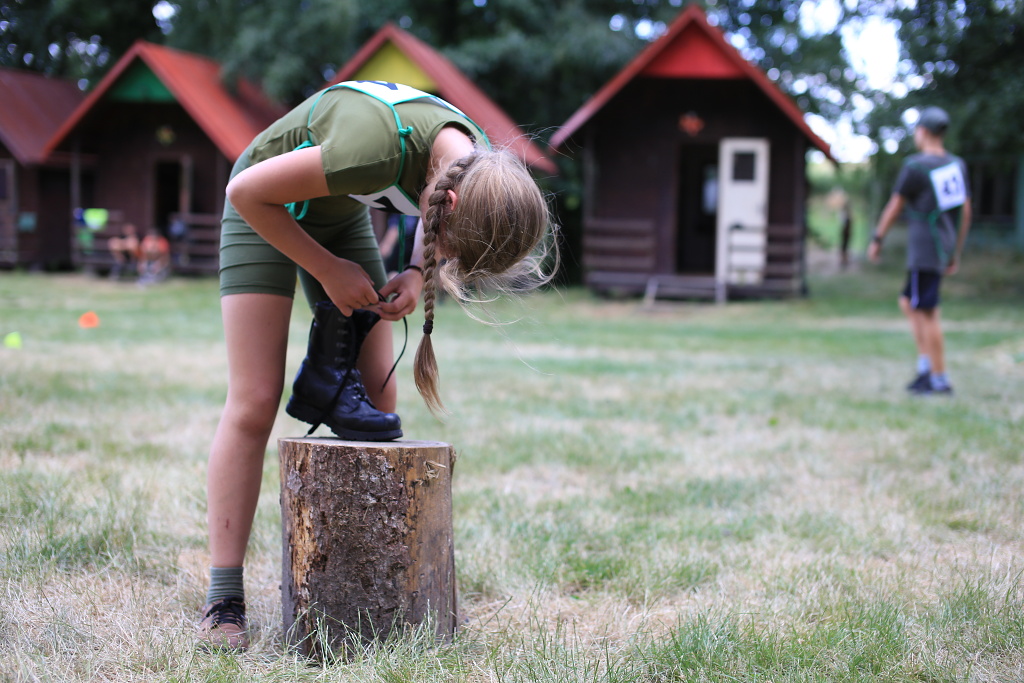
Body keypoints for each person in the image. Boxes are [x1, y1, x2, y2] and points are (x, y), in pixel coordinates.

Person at [198, 81, 554, 651]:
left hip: (338, 211)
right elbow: (244, 192)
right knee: (255, 398)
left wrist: (415, 271)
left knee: (376, 404)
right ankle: (223, 600)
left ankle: (359, 591)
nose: (447, 261)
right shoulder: (372, 150)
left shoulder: (478, 167)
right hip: (263, 205)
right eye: (453, 252)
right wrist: (327, 269)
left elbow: (432, 218)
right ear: (454, 204)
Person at [868, 105, 972, 396]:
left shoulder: (915, 166)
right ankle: (927, 367)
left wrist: (877, 238)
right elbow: (965, 212)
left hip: (925, 249)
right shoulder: (956, 165)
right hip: (943, 246)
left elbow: (895, 206)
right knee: (908, 301)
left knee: (927, 312)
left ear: (922, 132)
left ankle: (938, 379)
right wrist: (955, 250)